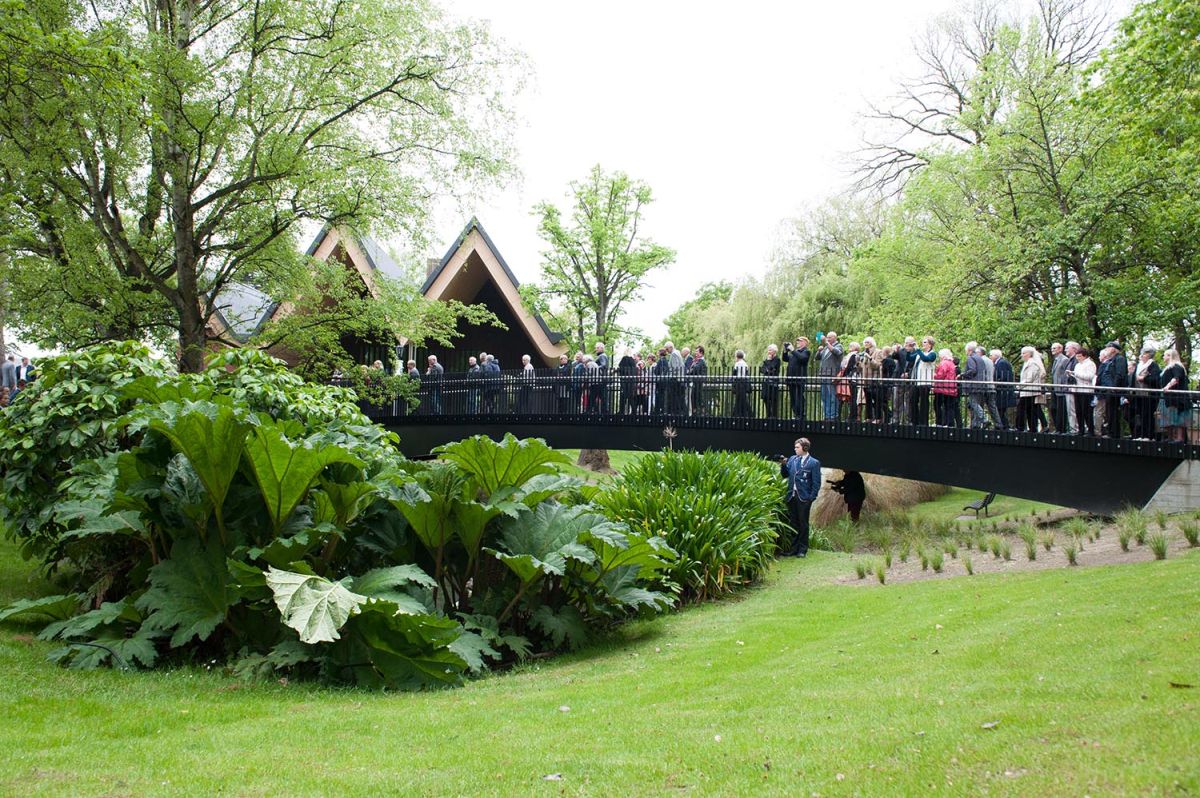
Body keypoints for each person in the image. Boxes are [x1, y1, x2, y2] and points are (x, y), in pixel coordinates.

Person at [780, 437, 821, 557]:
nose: (795, 449)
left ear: (805, 448)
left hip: (804, 498)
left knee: (803, 524)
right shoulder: (792, 459)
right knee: (793, 523)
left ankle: (802, 549)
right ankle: (793, 549)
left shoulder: (814, 463)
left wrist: (811, 498)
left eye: (797, 447)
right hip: (791, 496)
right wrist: (783, 465)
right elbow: (785, 475)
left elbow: (816, 483)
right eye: (795, 447)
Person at [1159, 349, 1190, 443]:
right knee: (1169, 416)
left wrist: (1167, 386)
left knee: (1179, 417)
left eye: (1165, 355)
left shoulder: (1176, 366)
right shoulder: (1169, 367)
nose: (1163, 357)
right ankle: (1170, 437)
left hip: (1177, 397)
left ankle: (1179, 438)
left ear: (1170, 356)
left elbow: (1176, 378)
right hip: (1169, 397)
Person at [1097, 341, 1128, 437]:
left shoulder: (1120, 359)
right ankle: (1110, 431)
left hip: (1114, 390)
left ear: (1114, 349)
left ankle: (1114, 433)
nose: (1106, 350)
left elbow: (1119, 374)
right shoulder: (1110, 360)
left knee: (1113, 412)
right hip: (1108, 389)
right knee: (1109, 411)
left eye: (1108, 348)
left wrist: (1114, 387)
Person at [1015, 346, 1048, 432]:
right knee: (1032, 409)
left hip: (1030, 391)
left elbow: (1030, 378)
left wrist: (1019, 386)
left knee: (1022, 408)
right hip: (1027, 391)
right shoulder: (1027, 363)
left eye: (1023, 353)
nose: (1021, 355)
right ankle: (1033, 428)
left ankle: (1020, 427)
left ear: (1029, 354)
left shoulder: (1032, 364)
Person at [1131, 346, 1161, 440]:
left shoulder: (1153, 365)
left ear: (1149, 355)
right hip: (1139, 394)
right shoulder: (1139, 365)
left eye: (1144, 353)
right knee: (1140, 414)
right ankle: (1141, 434)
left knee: (1147, 415)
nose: (1142, 355)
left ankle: (1149, 435)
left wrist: (1144, 378)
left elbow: (1156, 379)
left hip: (1149, 395)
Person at [816, 332, 844, 421]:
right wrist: (819, 351)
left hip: (832, 375)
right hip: (823, 374)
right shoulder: (825, 348)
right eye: (827, 337)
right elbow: (817, 358)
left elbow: (837, 353)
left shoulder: (839, 346)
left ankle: (833, 416)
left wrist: (826, 343)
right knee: (824, 396)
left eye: (830, 337)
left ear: (835, 338)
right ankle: (827, 416)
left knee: (832, 396)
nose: (828, 338)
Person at [910, 336, 937, 426]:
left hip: (926, 381)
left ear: (930, 344)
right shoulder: (919, 353)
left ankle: (923, 422)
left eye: (925, 342)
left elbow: (926, 359)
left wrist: (918, 350)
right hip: (917, 381)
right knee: (913, 400)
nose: (923, 344)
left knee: (924, 403)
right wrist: (909, 349)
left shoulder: (932, 354)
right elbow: (909, 358)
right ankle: (914, 421)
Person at [1070, 347, 1097, 436]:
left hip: (1086, 390)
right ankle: (1081, 429)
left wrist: (1076, 374)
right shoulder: (1077, 365)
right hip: (1077, 390)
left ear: (1085, 356)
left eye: (1079, 356)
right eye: (1077, 356)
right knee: (1078, 411)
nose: (1078, 358)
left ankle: (1090, 430)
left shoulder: (1090, 364)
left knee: (1087, 411)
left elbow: (1090, 376)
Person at [961, 342, 989, 429]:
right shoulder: (980, 358)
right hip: (981, 384)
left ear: (969, 350)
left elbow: (972, 370)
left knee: (973, 403)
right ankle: (975, 424)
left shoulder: (971, 358)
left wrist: (963, 374)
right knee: (975, 403)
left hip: (973, 385)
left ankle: (984, 418)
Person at [786, 336, 811, 420]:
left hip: (799, 379)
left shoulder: (806, 351)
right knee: (793, 398)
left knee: (798, 397)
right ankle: (795, 414)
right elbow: (785, 359)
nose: (798, 343)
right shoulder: (795, 352)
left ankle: (800, 414)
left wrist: (792, 350)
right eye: (797, 341)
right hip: (791, 378)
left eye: (800, 341)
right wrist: (785, 351)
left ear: (805, 343)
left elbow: (802, 358)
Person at [932, 348, 958, 426]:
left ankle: (940, 422)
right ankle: (949, 423)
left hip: (942, 388)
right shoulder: (951, 363)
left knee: (937, 405)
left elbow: (941, 375)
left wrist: (934, 375)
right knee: (949, 407)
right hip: (951, 388)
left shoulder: (944, 363)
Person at [1049, 342, 1071, 433]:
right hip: (1055, 388)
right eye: (1052, 348)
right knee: (1053, 408)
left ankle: (1061, 429)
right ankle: (1057, 427)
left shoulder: (1064, 360)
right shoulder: (1055, 360)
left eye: (1054, 348)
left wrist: (1063, 386)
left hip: (1061, 388)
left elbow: (1066, 374)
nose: (1052, 350)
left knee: (1061, 410)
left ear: (1060, 349)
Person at [992, 349, 1016, 428]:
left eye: (991, 355)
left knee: (1001, 409)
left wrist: (996, 383)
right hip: (1003, 391)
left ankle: (1004, 426)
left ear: (996, 356)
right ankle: (1003, 426)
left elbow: (1003, 376)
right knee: (1000, 410)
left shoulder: (1001, 363)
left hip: (1003, 391)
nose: (990, 357)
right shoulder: (1001, 362)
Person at [761, 344, 782, 418]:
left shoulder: (777, 359)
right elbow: (762, 370)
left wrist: (768, 363)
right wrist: (767, 369)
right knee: (766, 399)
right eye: (768, 350)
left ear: (774, 351)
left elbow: (771, 368)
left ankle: (774, 416)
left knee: (773, 400)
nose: (768, 351)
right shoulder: (767, 360)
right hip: (766, 383)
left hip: (773, 383)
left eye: (770, 350)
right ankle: (768, 415)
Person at [689, 345, 709, 415]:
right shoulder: (698, 361)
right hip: (696, 383)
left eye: (697, 351)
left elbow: (693, 370)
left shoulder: (701, 361)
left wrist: (693, 365)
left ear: (701, 353)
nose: (695, 353)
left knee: (699, 399)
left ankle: (701, 414)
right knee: (694, 399)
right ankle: (696, 414)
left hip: (698, 384)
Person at [617, 347, 637, 414]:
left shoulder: (624, 359)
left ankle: (621, 411)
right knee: (630, 397)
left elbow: (621, 368)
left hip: (625, 381)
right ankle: (634, 411)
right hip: (631, 381)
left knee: (623, 397)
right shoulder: (633, 361)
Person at [731, 349, 751, 417]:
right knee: (742, 399)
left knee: (739, 399)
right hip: (744, 383)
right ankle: (743, 413)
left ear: (737, 356)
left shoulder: (737, 363)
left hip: (739, 383)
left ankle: (738, 414)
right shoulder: (745, 363)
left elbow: (734, 374)